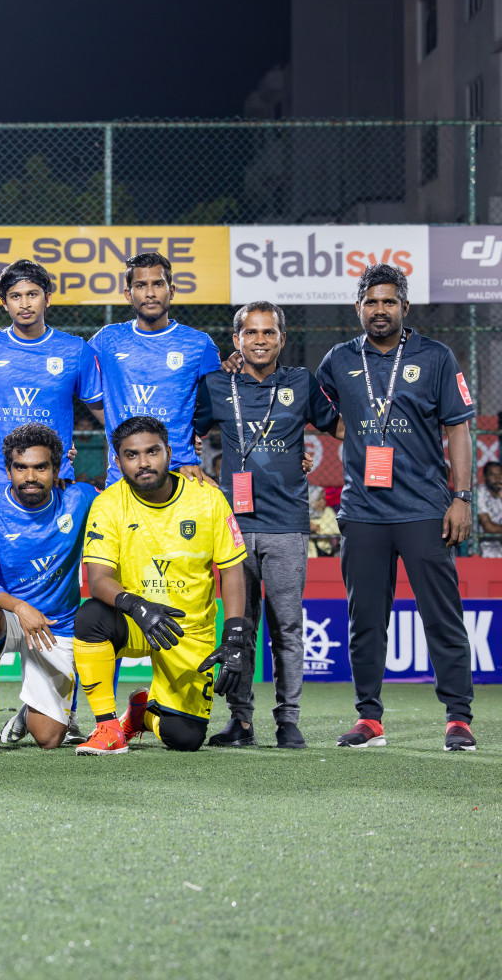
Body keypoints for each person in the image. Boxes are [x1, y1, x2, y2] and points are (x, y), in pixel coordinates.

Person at [314, 263, 478, 751]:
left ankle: (458, 718)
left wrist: (462, 497)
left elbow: (458, 430)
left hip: (425, 508)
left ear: (404, 307)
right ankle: (369, 719)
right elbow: (321, 411)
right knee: (364, 619)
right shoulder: (339, 361)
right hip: (363, 511)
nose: (379, 310)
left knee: (442, 616)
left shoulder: (436, 356)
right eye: (371, 302)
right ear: (358, 308)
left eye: (389, 302)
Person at [192, 300, 340, 749]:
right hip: (232, 526)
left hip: (287, 524)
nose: (260, 340)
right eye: (251, 333)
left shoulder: (301, 382)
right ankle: (241, 722)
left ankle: (288, 721)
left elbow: (340, 427)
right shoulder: (216, 385)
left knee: (288, 628)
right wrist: (191, 465)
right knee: (240, 626)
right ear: (236, 339)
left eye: (268, 333)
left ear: (281, 338)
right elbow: (186, 432)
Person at [73, 415, 249, 755]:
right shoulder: (108, 504)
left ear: (169, 452)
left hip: (188, 631)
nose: (143, 463)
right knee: (91, 617)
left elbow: (232, 572)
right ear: (119, 460)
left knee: (185, 739)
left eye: (152, 452)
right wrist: (138, 607)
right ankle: (108, 728)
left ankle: (143, 714)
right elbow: (98, 581)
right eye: (131, 455)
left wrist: (234, 636)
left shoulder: (208, 499)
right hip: (136, 619)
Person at [0, 423, 98, 753]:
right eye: (21, 468)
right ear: (9, 470)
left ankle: (29, 711)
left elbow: (127, 502)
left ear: (56, 469)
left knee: (49, 739)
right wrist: (20, 608)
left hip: (56, 625)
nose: (30, 476)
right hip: (10, 616)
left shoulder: (81, 498)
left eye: (40, 467)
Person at [0, 260, 104, 493]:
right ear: (4, 303)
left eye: (32, 294)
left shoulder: (75, 350)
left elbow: (105, 414)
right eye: (15, 296)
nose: (25, 304)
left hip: (56, 477)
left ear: (47, 298)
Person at [88, 253, 221, 487]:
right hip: (123, 477)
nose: (150, 293)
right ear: (128, 294)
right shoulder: (107, 340)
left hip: (181, 471)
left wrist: (198, 432)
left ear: (172, 290)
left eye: (158, 284)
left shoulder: (199, 344)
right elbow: (69, 372)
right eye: (141, 285)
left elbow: (217, 399)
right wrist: (111, 421)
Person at [475, 461, 502, 558]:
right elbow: (489, 527)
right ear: (485, 477)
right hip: (484, 549)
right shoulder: (479, 493)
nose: (497, 478)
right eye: (492, 475)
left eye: (500, 474)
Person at [307, 486, 341, 557]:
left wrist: (318, 528)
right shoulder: (303, 514)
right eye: (319, 499)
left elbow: (335, 529)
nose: (323, 502)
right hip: (308, 552)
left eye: (323, 498)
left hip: (324, 551)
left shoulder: (328, 511)